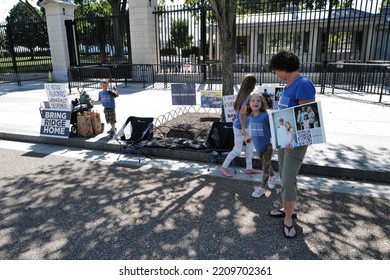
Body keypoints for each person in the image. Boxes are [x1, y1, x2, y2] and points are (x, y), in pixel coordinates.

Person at [268, 50, 315, 238]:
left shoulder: (303, 84)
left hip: (293, 142)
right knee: (284, 175)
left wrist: (292, 139)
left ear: (283, 69)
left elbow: (307, 117)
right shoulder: (289, 85)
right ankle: (286, 208)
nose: (275, 74)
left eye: (276, 70)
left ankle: (288, 218)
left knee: (288, 178)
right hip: (284, 140)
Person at [219, 74, 261, 177]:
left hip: (243, 127)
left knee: (250, 147)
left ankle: (249, 168)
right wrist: (243, 129)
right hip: (240, 128)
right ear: (251, 85)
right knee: (237, 150)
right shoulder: (246, 98)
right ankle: (223, 167)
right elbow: (242, 114)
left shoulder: (242, 95)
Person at [245, 92, 276, 198]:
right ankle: (272, 176)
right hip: (258, 145)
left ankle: (262, 188)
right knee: (266, 163)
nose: (255, 103)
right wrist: (251, 137)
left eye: (258, 101)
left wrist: (275, 143)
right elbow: (255, 129)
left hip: (268, 145)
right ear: (249, 103)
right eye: (253, 101)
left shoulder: (265, 116)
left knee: (265, 166)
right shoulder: (250, 116)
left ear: (262, 103)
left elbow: (273, 128)